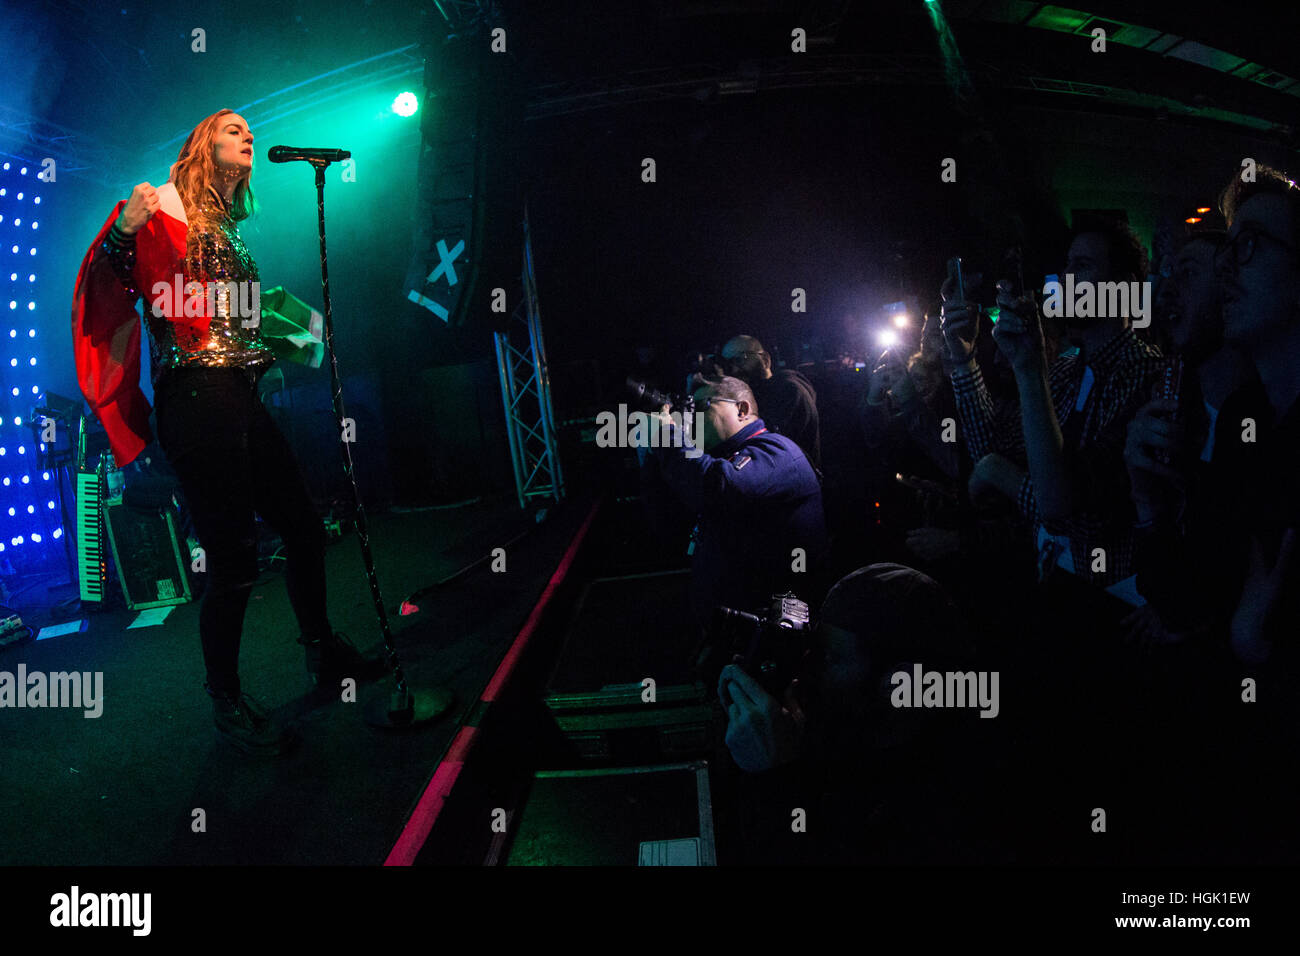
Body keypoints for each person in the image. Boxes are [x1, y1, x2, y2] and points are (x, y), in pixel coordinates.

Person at [71, 108, 381, 756]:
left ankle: (321, 650)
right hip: (195, 399)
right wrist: (120, 237)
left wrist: (300, 334)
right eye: (230, 127)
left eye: (249, 128)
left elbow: (236, 321)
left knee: (301, 523)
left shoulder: (232, 232)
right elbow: (114, 276)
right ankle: (225, 698)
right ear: (200, 145)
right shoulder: (166, 209)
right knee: (235, 557)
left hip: (239, 393)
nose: (247, 134)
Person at [638, 375, 828, 629]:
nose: (693, 419)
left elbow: (715, 488)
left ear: (742, 409)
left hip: (769, 626)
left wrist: (665, 435)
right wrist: (652, 458)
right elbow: (668, 524)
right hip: (732, 622)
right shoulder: (720, 461)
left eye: (703, 407)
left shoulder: (776, 451)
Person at [720, 335, 821, 470]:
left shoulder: (788, 391)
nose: (733, 370)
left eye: (741, 359)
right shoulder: (753, 396)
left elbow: (766, 450)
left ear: (765, 360)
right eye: (728, 364)